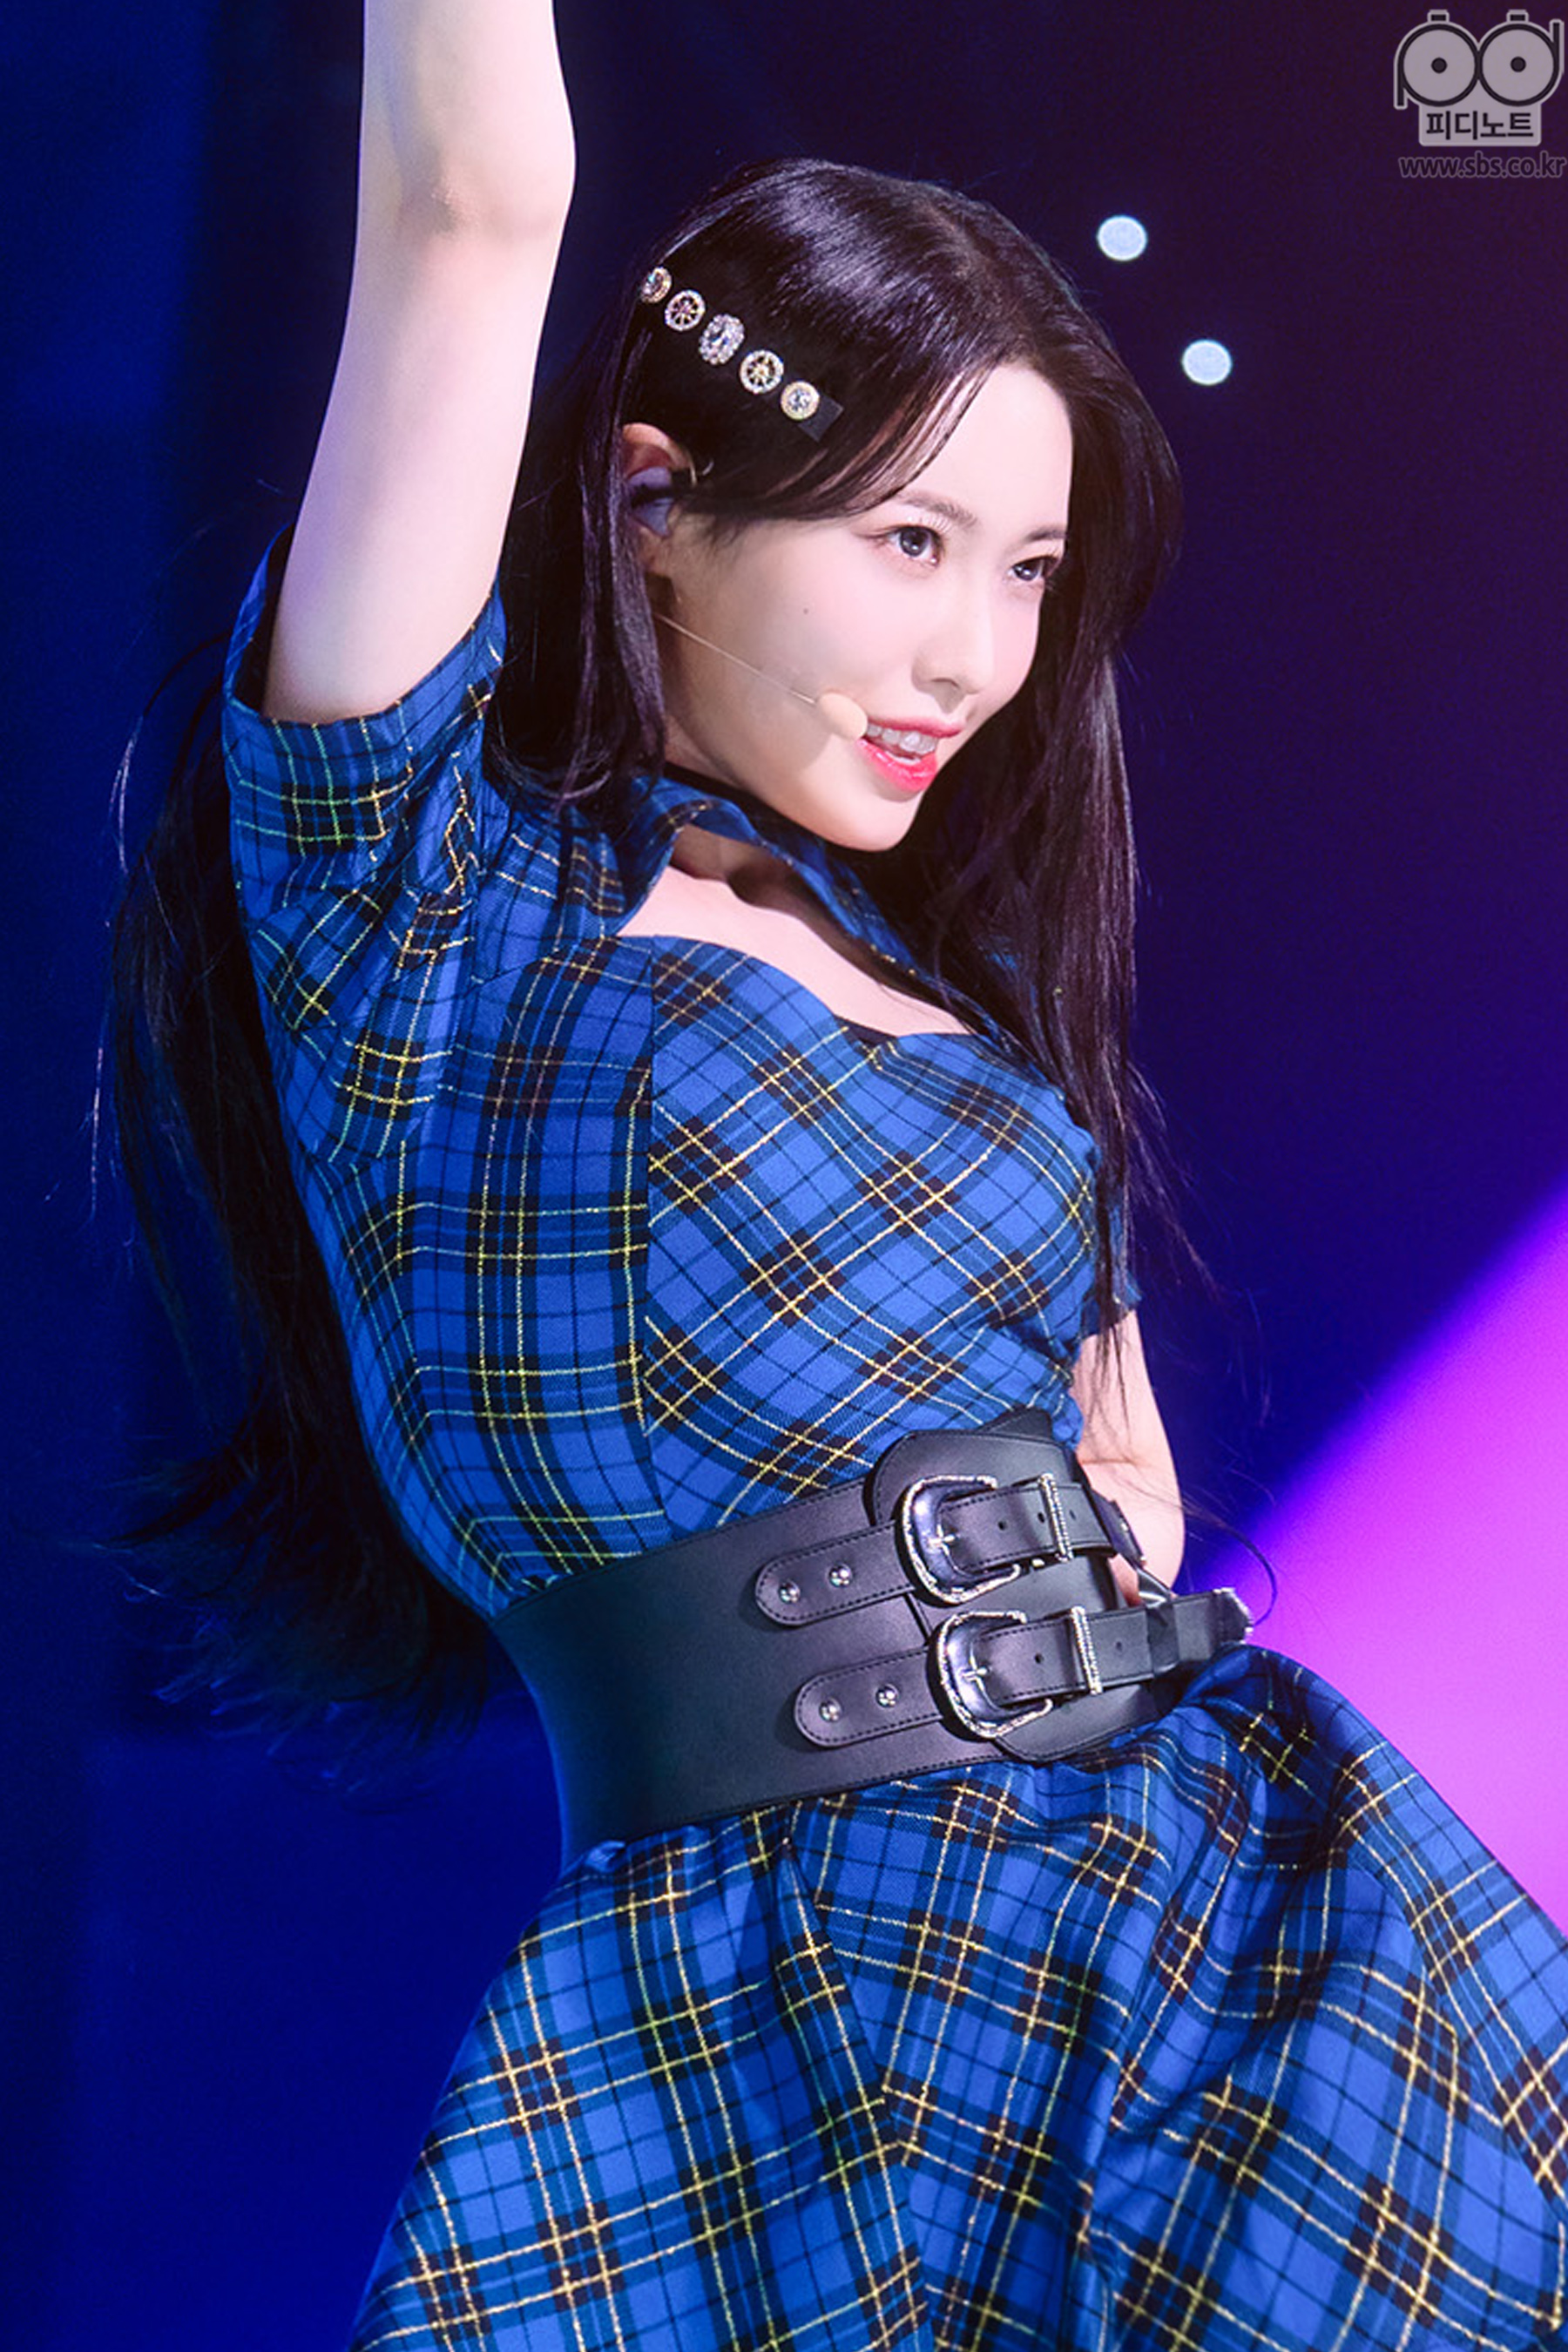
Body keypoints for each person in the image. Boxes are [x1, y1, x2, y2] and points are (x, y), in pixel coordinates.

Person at [114, 2, 1568, 2346]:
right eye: (911, 541)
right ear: (655, 501)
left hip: (1224, 1940)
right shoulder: (423, 898)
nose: (977, 655)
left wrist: (1104, 1526)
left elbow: (1102, 1486)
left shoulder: (965, 1003)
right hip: (781, 2004)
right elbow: (472, 202)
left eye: (1029, 570)